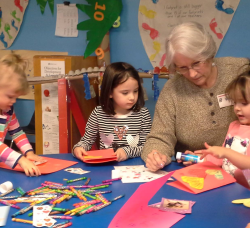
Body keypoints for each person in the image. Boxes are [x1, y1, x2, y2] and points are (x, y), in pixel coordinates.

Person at [141, 21, 249, 171]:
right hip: (196, 169)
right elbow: (160, 137)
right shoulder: (173, 90)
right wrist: (156, 154)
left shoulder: (239, 70)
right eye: (183, 68)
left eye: (197, 63)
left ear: (209, 54)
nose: (192, 74)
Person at [73, 62, 152, 162]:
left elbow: (147, 147)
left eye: (135, 91)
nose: (132, 97)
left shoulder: (143, 114)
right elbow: (86, 141)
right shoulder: (98, 113)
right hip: (106, 169)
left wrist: (127, 152)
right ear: (110, 92)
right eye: (125, 93)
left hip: (135, 170)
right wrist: (78, 148)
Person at [195, 70, 250, 188]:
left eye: (244, 103)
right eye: (235, 102)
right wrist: (199, 158)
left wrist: (226, 152)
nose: (237, 108)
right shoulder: (233, 126)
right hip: (228, 188)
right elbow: (223, 160)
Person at [0, 53, 43, 176]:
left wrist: (29, 153)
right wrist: (21, 159)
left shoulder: (8, 110)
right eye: (10, 96)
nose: (13, 101)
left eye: (16, 98)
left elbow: (17, 132)